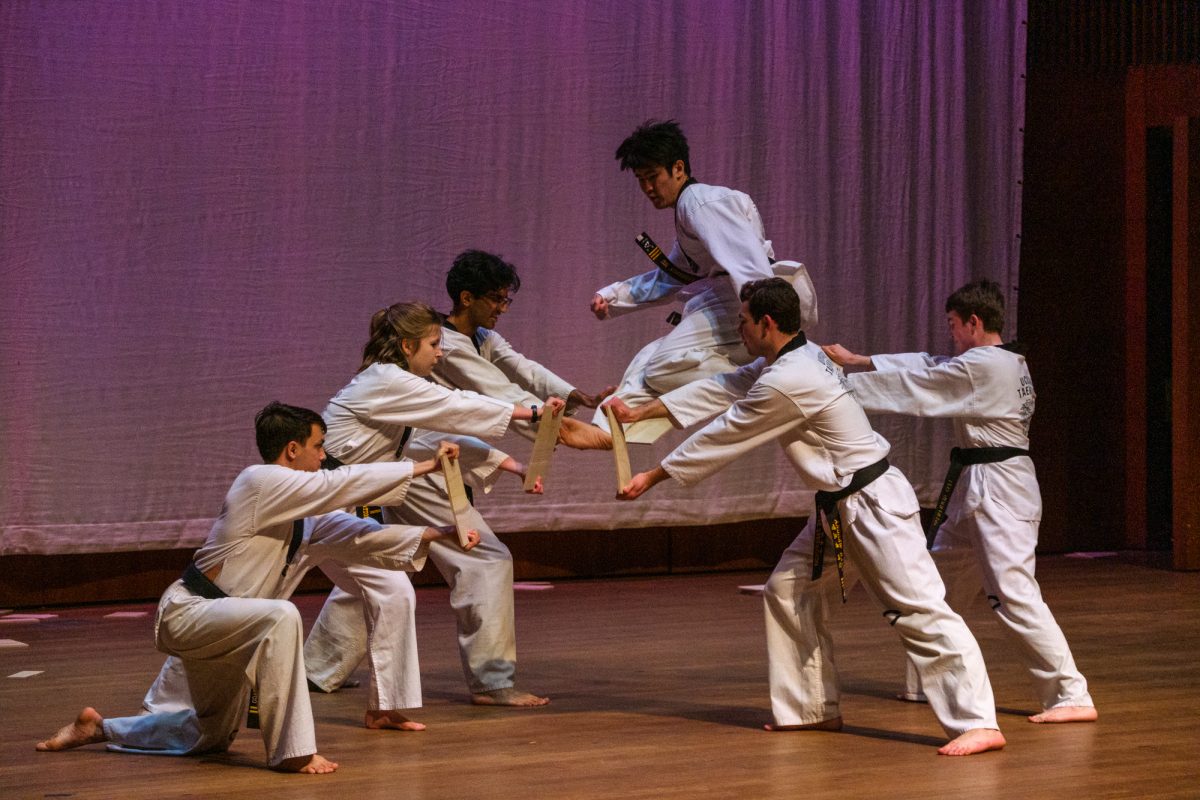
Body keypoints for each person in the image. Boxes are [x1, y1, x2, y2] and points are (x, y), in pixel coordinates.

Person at [609, 278, 1006, 755]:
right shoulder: (794, 357)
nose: (739, 328)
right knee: (789, 591)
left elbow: (727, 432)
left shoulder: (790, 377)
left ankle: (978, 721)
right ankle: (810, 708)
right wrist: (642, 410)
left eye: (743, 320)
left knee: (918, 608)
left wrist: (654, 476)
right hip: (839, 505)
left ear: (767, 323)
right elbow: (726, 386)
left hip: (872, 506)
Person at [36, 402, 476, 773]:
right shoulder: (257, 481)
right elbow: (335, 485)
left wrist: (442, 533)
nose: (323, 456)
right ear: (292, 449)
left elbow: (362, 536)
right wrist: (425, 466)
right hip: (190, 614)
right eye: (318, 446)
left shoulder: (308, 516)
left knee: (210, 735)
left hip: (232, 628)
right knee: (282, 615)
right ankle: (293, 752)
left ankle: (98, 727)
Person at [822, 279, 1097, 724]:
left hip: (1000, 486)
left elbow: (921, 383)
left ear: (974, 322)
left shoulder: (988, 367)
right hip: (980, 482)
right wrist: (861, 361)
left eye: (953, 324)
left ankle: (1071, 693)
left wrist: (834, 388)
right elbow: (934, 364)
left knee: (1013, 594)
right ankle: (929, 685)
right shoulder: (1001, 360)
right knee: (937, 583)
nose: (949, 333)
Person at [303, 302, 562, 712]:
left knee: (379, 583)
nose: (440, 352)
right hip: (326, 501)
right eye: (433, 343)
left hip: (343, 500)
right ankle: (465, 689)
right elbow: (454, 406)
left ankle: (323, 674)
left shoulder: (394, 384)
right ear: (407, 345)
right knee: (379, 587)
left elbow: (435, 427)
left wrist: (510, 464)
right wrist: (529, 411)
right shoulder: (387, 381)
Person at [589, 119, 816, 443]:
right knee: (649, 360)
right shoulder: (690, 209)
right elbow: (670, 277)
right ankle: (605, 428)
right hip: (733, 297)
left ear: (678, 168)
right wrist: (612, 297)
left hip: (748, 300)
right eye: (642, 181)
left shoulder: (700, 203)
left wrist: (775, 332)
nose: (648, 188)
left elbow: (748, 265)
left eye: (653, 177)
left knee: (662, 366)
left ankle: (764, 379)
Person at [435, 248, 613, 449]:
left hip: (450, 443)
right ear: (467, 298)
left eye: (505, 300)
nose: (503, 309)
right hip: (424, 443)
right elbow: (501, 392)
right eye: (495, 299)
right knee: (484, 456)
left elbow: (527, 371)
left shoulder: (483, 336)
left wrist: (586, 399)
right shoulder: (445, 345)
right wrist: (563, 429)